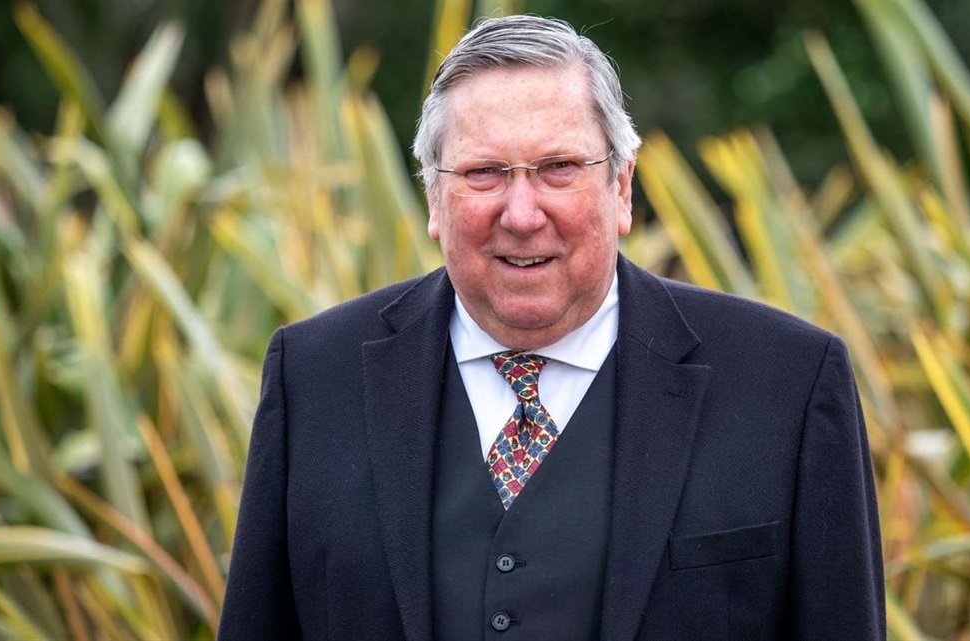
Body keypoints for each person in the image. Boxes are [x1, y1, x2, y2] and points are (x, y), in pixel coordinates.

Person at [219, 14, 884, 640]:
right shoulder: (312, 376)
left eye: (559, 168)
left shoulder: (788, 384)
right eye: (483, 173)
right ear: (432, 198)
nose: (521, 212)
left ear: (622, 187)